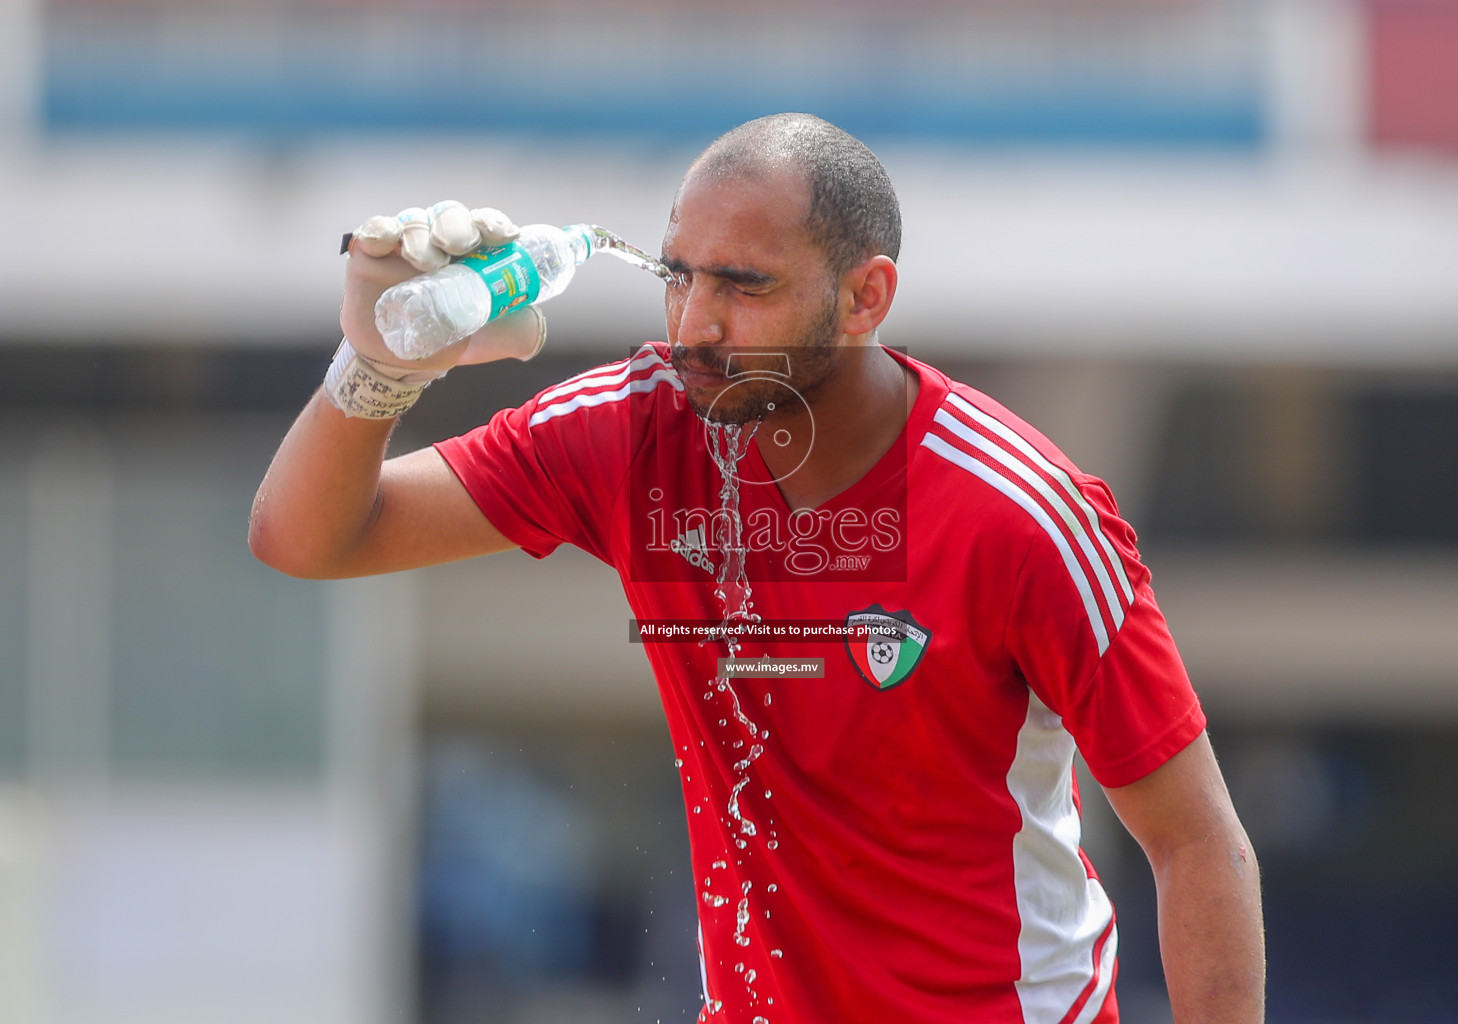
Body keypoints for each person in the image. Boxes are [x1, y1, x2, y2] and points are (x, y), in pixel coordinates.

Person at [250, 113, 1264, 1024]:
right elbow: (309, 537)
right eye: (678, 274)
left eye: (744, 286)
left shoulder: (1024, 514)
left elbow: (1197, 845)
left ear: (866, 297)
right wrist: (378, 367)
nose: (695, 324)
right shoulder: (635, 430)